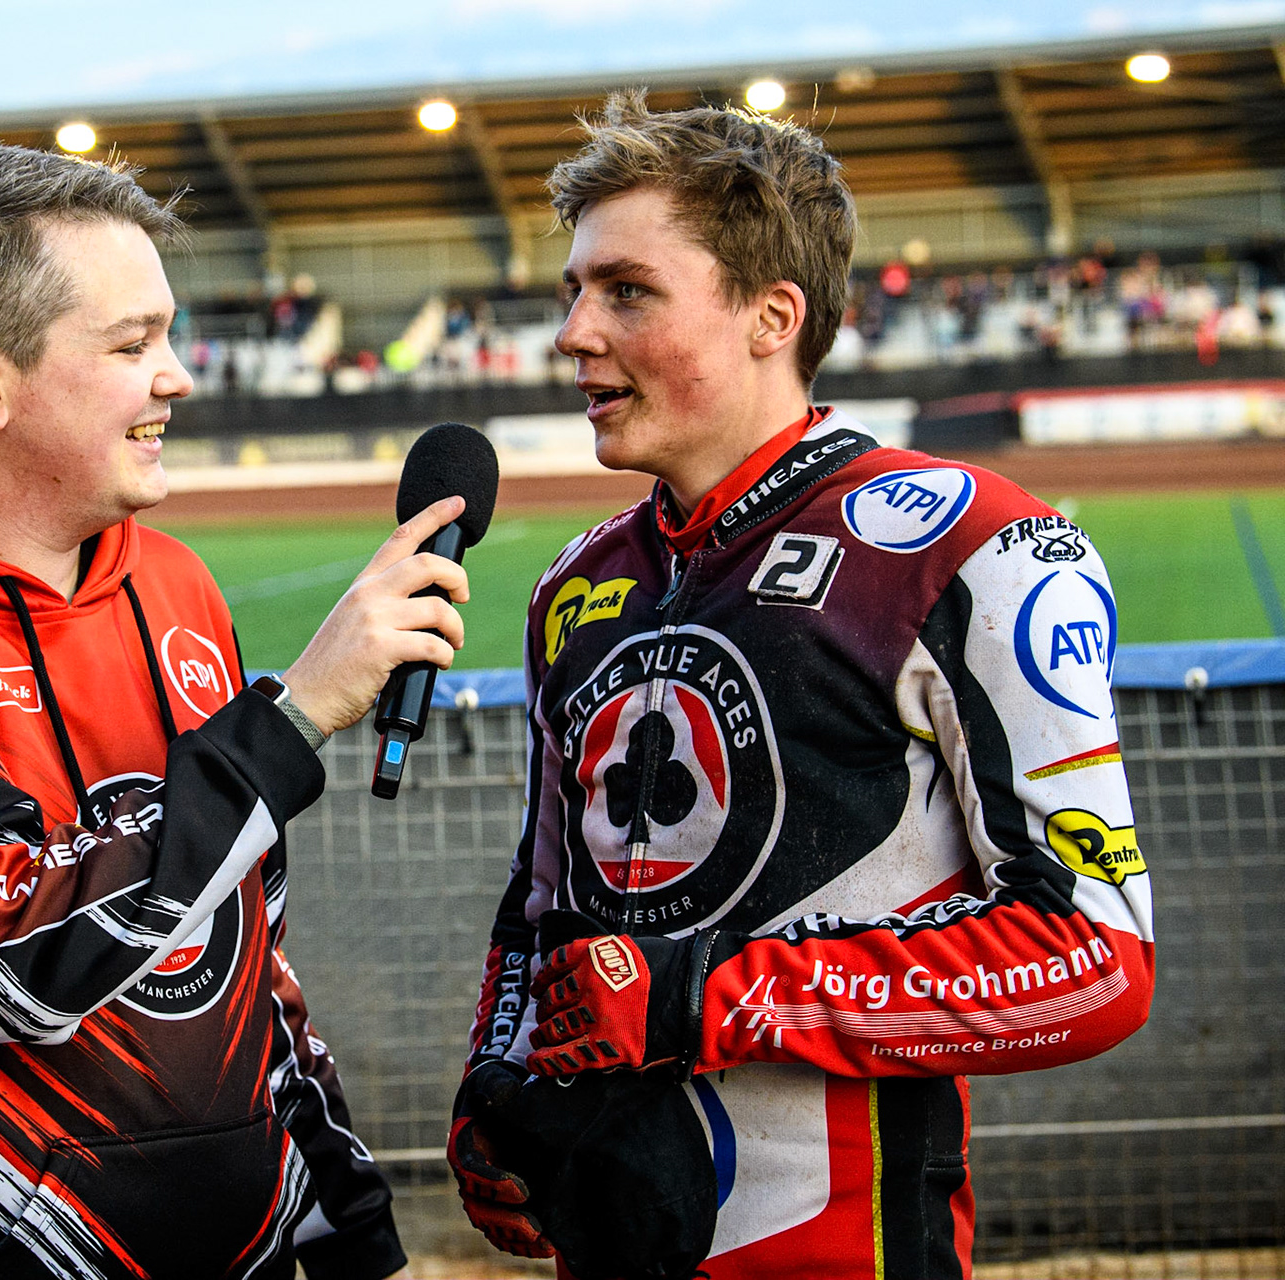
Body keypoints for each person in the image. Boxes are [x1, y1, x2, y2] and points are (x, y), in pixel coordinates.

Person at [0, 143, 469, 1280]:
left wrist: (352, 1224)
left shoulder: (174, 583)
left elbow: (250, 952)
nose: (177, 375)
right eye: (132, 344)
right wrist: (294, 713)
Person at [448, 94, 1154, 1280]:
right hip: (611, 1232)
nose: (571, 332)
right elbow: (540, 908)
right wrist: (498, 1081)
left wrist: (711, 993)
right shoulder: (577, 584)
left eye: (625, 291)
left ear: (774, 315)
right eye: (570, 291)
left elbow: (1096, 954)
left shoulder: (972, 548)